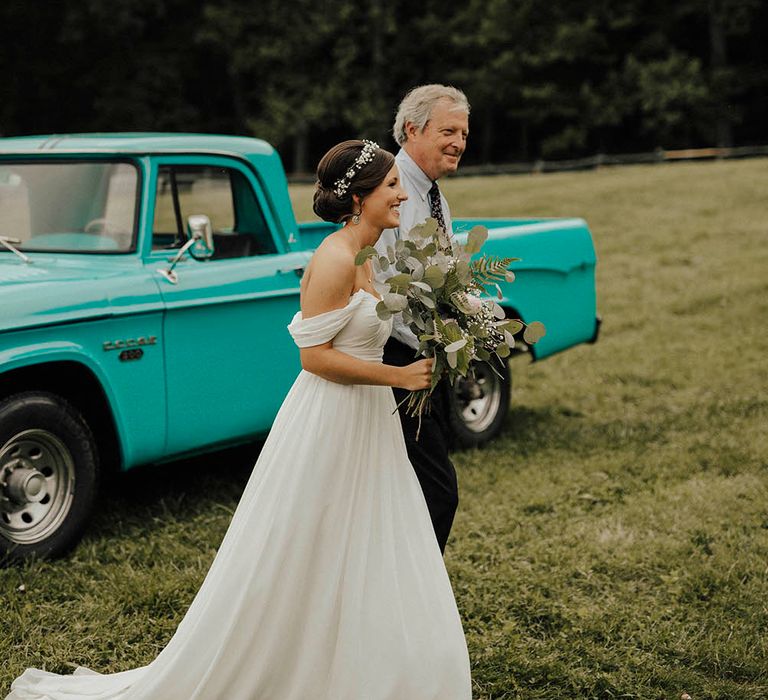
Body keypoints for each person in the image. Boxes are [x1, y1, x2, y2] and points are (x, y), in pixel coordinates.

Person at [6, 140, 471, 700]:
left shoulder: (367, 253)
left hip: (368, 416)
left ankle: (365, 648)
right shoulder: (334, 258)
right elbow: (314, 357)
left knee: (370, 527)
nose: (402, 193)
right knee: (311, 537)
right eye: (392, 185)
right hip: (333, 416)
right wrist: (399, 379)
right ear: (360, 198)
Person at [376, 84, 470, 554]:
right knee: (436, 493)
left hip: (430, 359)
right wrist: (429, 338)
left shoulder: (435, 195)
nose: (459, 142)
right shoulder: (388, 189)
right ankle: (413, 601)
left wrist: (461, 323)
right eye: (448, 131)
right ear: (413, 129)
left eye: (464, 134)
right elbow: (379, 288)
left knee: (420, 487)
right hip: (395, 361)